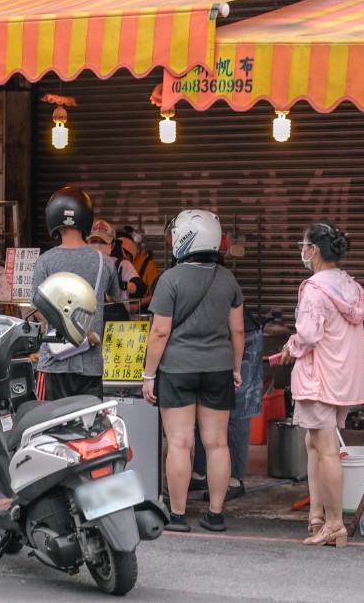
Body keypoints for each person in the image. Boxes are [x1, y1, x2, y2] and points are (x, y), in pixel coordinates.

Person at [141, 210, 245, 533]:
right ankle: (215, 515)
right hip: (218, 368)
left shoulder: (169, 281)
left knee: (180, 443)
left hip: (177, 370)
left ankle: (177, 515)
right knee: (217, 444)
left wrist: (148, 375)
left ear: (185, 239)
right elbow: (238, 332)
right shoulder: (228, 280)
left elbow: (159, 333)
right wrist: (237, 369)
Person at [279, 222, 364, 548]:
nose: (302, 251)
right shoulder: (351, 286)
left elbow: (309, 335)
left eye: (303, 245)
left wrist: (291, 347)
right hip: (342, 379)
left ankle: (334, 524)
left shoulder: (315, 289)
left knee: (326, 450)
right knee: (314, 445)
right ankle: (317, 515)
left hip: (318, 379)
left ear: (314, 249)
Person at [32, 187, 120, 400]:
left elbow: (38, 311)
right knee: (89, 429)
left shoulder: (46, 260)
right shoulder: (104, 262)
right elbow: (115, 296)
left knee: (50, 429)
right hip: (90, 365)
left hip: (53, 363)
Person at [192, 307, 264, 501]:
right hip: (213, 340)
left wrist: (237, 369)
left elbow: (238, 329)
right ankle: (200, 473)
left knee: (238, 408)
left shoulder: (221, 281)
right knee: (204, 403)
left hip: (244, 338)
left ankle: (235, 480)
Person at [87, 219, 146, 319]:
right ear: (87, 242)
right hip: (88, 323)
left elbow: (140, 288)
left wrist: (122, 285)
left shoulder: (121, 265)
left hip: (116, 326)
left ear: (112, 245)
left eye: (103, 242)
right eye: (93, 241)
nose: (97, 245)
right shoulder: (82, 265)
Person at [119, 226, 159, 310]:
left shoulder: (148, 263)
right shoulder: (114, 263)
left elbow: (156, 295)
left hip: (142, 312)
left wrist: (138, 305)